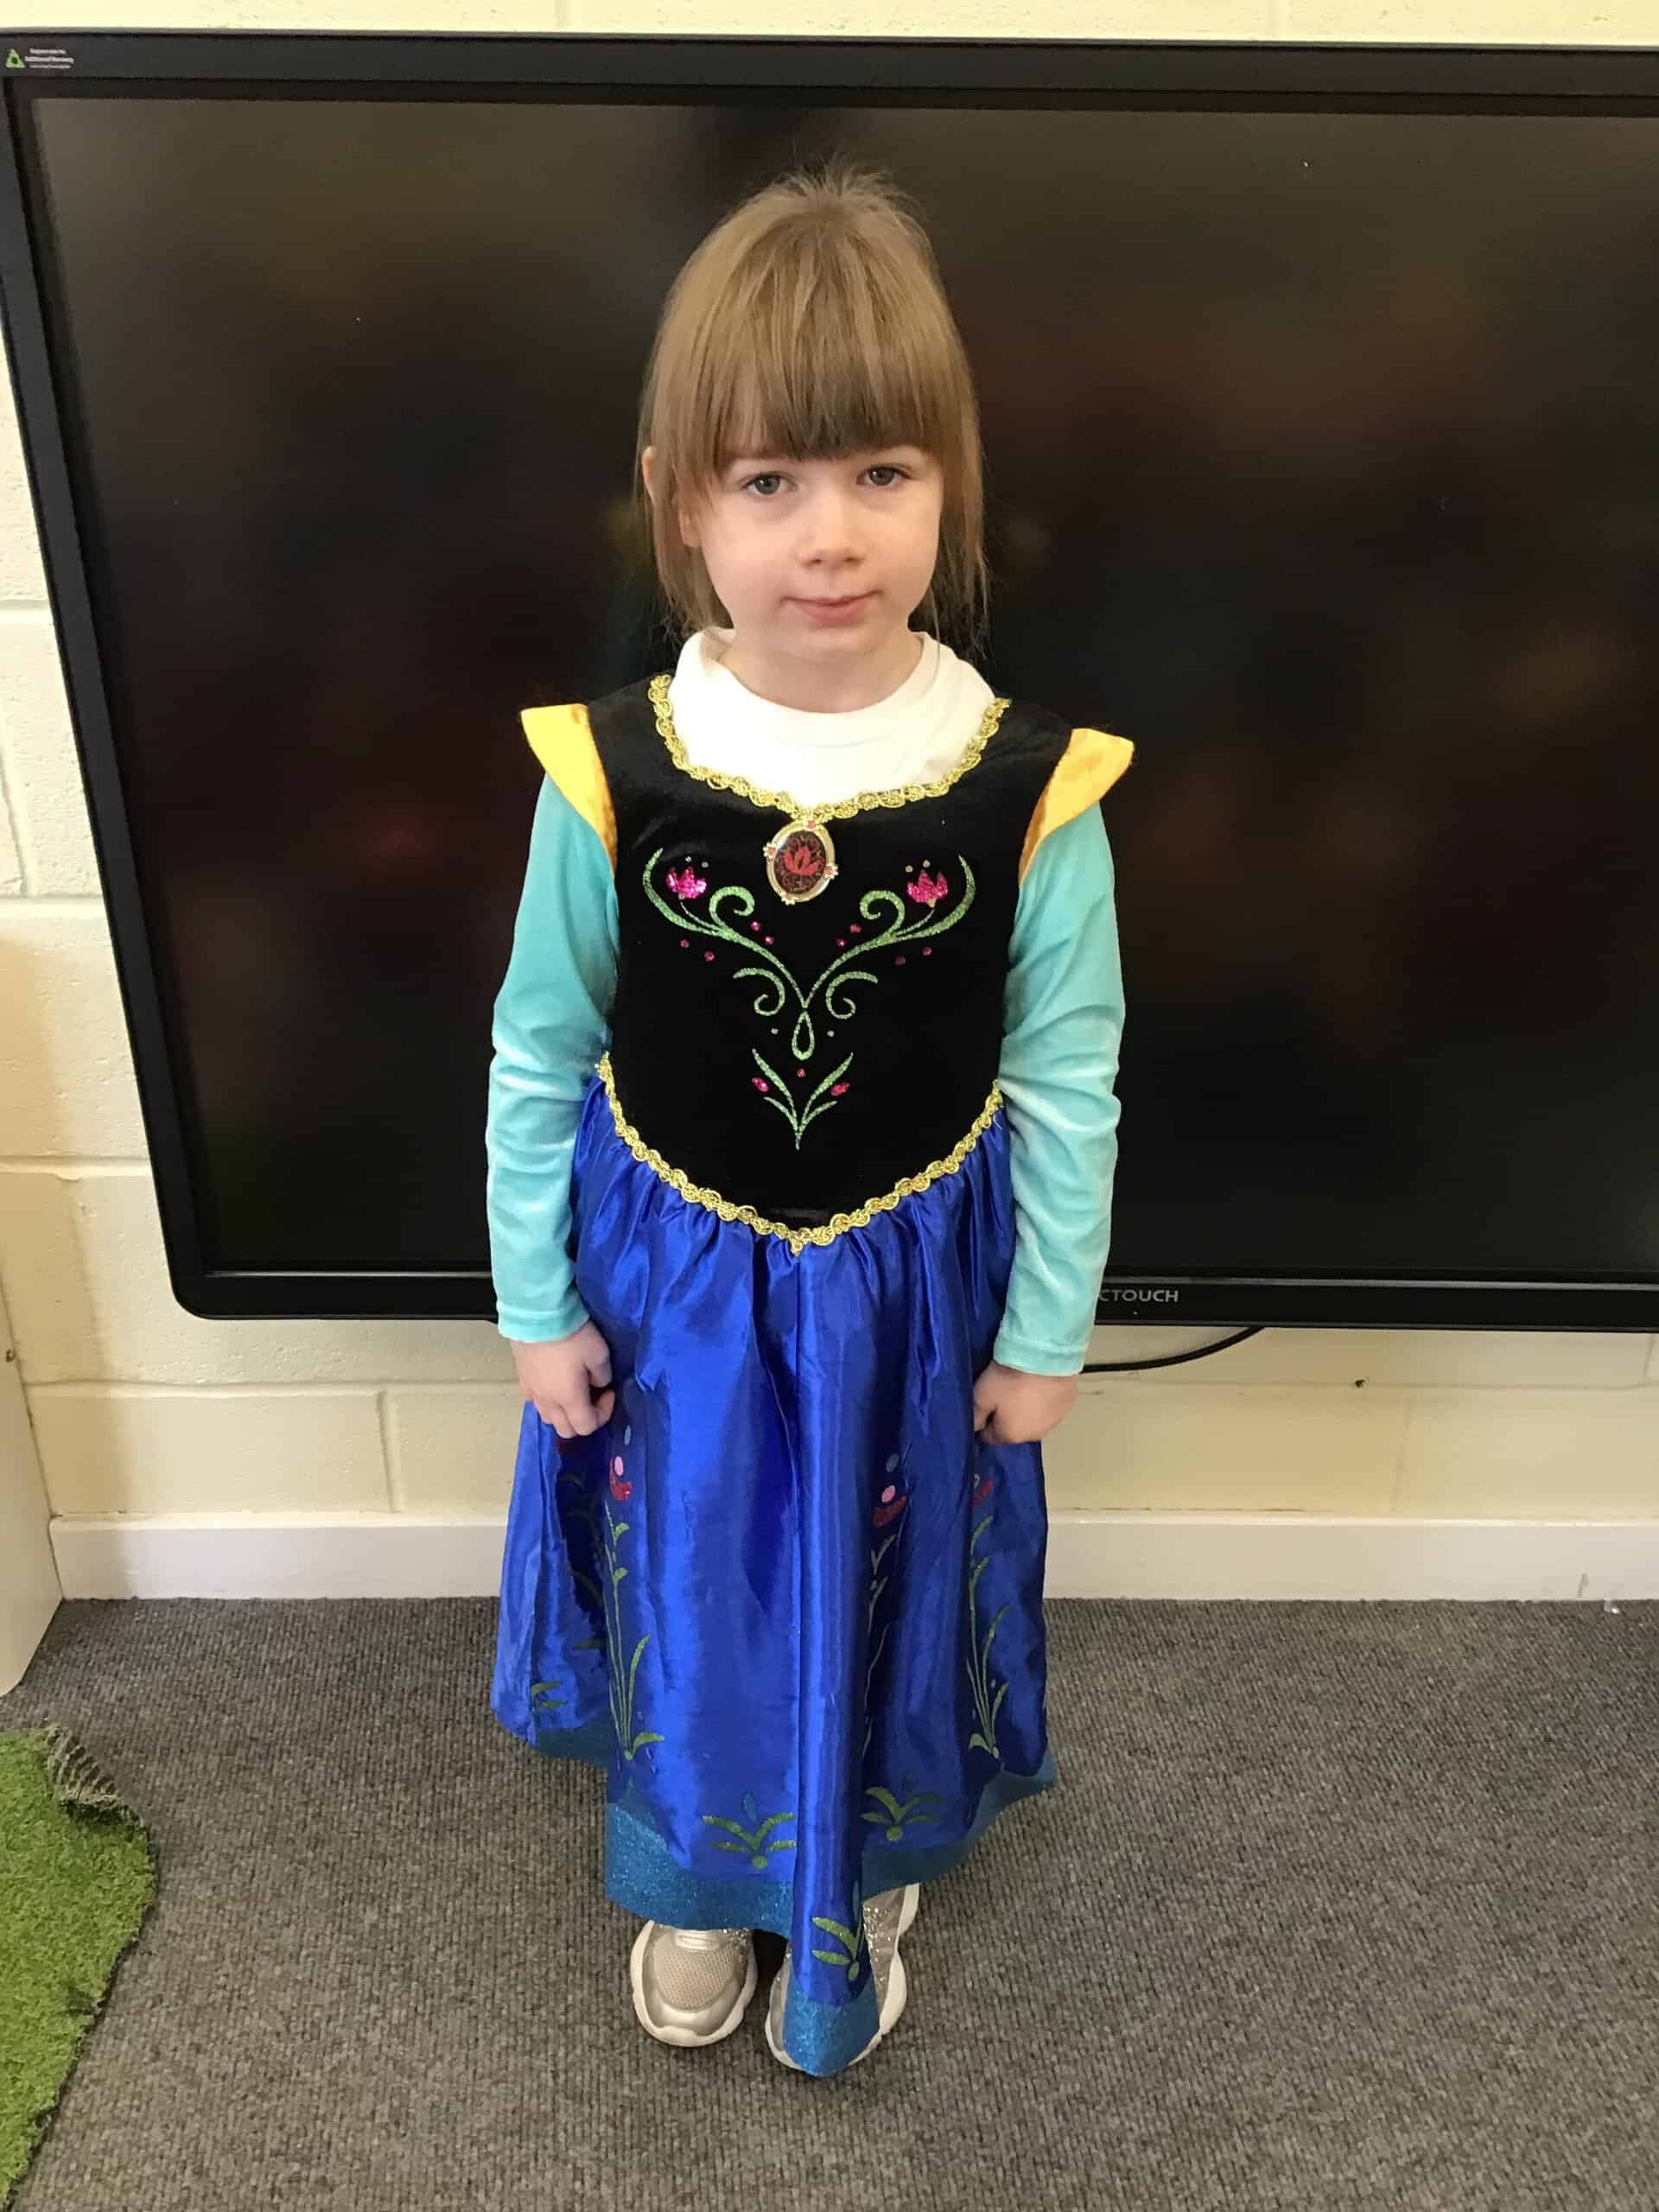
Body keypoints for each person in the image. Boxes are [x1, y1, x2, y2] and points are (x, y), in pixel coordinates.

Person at [485, 156, 1133, 2079]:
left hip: (909, 1298)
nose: (829, 535)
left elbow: (1071, 1080)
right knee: (698, 1576)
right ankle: (704, 1865)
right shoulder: (609, 773)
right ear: (679, 497)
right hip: (678, 1295)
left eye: (881, 474)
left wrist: (1046, 1333)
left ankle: (862, 1848)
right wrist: (535, 1299)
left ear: (951, 485)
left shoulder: (1029, 789)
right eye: (769, 480)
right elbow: (537, 1050)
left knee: (889, 1572)